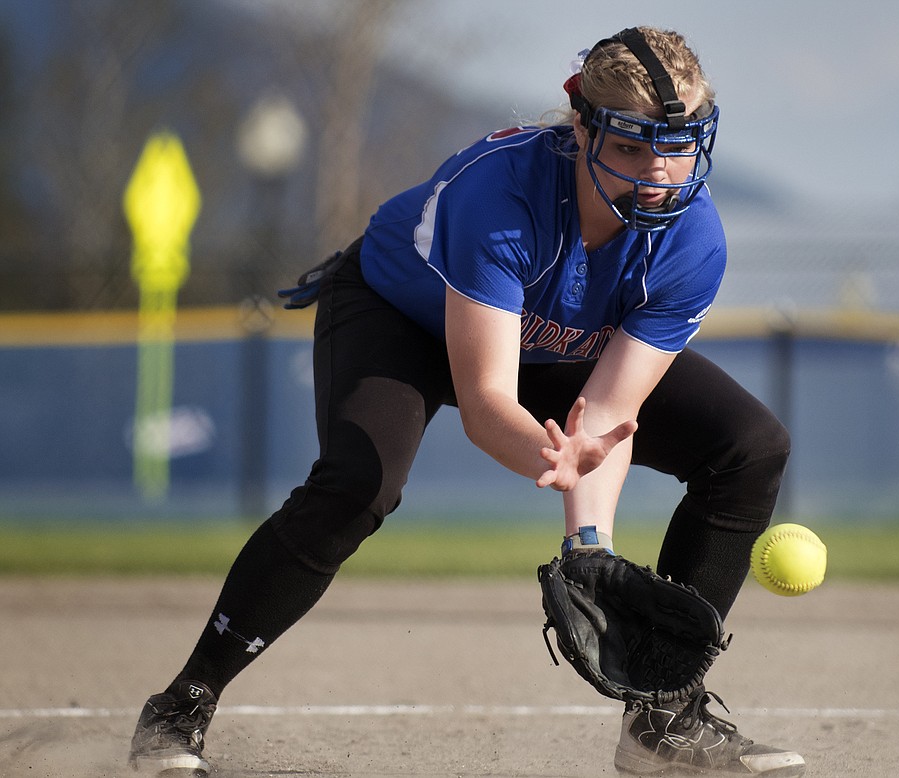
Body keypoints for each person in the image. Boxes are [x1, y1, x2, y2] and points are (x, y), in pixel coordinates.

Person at [128, 26, 805, 777]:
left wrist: (590, 547)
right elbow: (487, 404)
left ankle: (663, 721)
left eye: (678, 146)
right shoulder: (501, 195)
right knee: (359, 485)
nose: (659, 174)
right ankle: (181, 704)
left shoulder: (693, 239)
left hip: (549, 346)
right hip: (401, 317)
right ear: (581, 126)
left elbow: (607, 418)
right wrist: (562, 482)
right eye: (632, 146)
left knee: (751, 446)